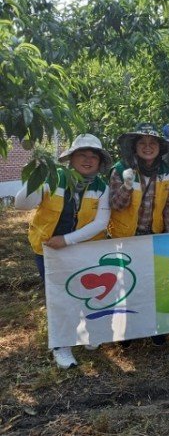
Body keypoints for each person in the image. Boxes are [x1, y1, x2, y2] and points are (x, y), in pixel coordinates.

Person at [15, 134, 112, 369]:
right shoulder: (54, 177)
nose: (88, 160)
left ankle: (90, 332)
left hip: (83, 250)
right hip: (48, 250)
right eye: (82, 155)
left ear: (99, 162)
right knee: (59, 297)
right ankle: (62, 346)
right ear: (71, 158)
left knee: (88, 291)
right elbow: (21, 204)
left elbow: (100, 223)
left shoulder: (101, 187)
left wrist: (67, 240)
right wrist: (37, 178)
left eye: (93, 156)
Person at [108, 123, 169, 239]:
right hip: (124, 238)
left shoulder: (168, 172)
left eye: (152, 143)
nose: (147, 147)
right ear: (135, 146)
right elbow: (116, 206)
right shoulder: (121, 169)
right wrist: (126, 186)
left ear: (159, 147)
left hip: (155, 236)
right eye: (142, 143)